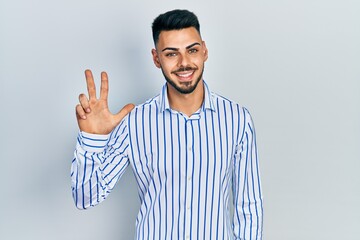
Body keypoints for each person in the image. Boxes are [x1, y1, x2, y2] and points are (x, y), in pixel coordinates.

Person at [71, 9, 263, 240]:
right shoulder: (135, 123)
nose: (184, 63)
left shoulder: (237, 120)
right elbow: (85, 198)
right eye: (171, 54)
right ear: (156, 58)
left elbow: (248, 206)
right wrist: (93, 139)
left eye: (192, 50)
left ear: (204, 51)